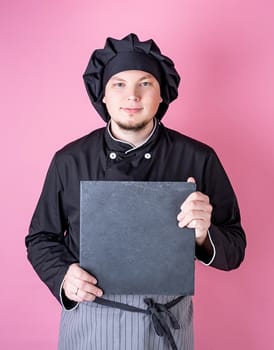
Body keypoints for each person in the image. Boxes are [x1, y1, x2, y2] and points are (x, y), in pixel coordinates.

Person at [25, 33, 246, 350]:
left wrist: (202, 234)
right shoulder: (69, 160)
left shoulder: (199, 158)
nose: (132, 95)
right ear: (102, 94)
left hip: (167, 326)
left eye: (145, 84)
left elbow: (235, 248)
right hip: (91, 322)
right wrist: (63, 276)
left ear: (161, 96)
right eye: (118, 84)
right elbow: (40, 238)